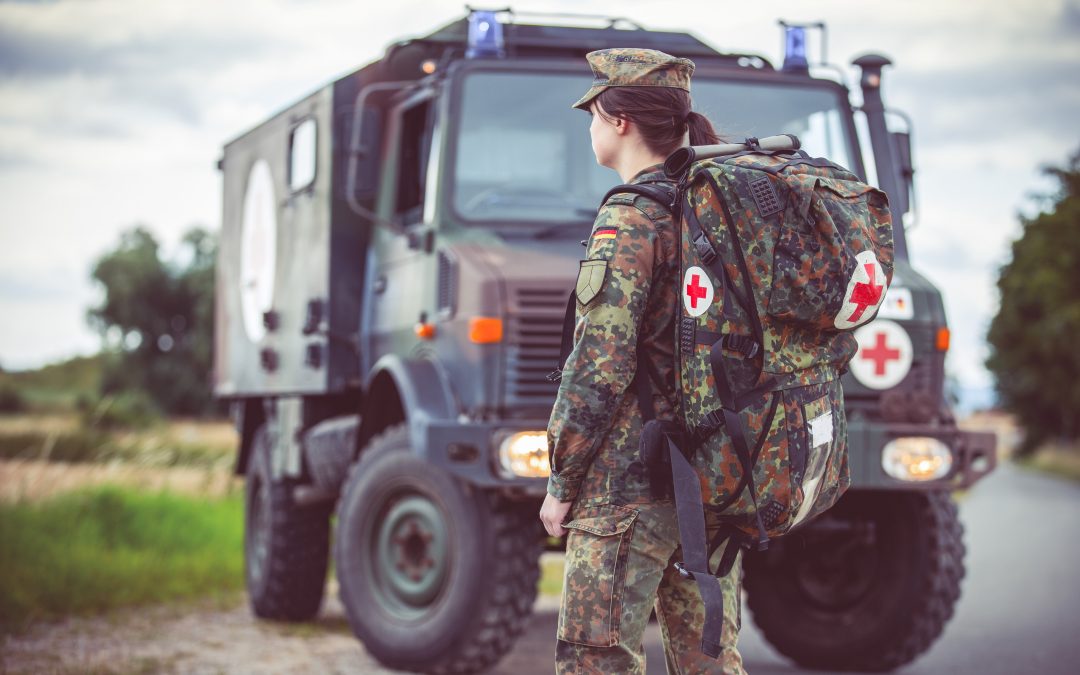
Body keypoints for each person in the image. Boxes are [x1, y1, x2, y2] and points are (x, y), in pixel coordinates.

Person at [539, 48, 746, 674]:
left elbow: (600, 365)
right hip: (712, 473)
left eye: (593, 113)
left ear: (619, 119)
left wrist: (561, 481)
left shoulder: (630, 217)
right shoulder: (714, 210)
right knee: (709, 661)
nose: (590, 127)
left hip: (627, 486)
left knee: (594, 661)